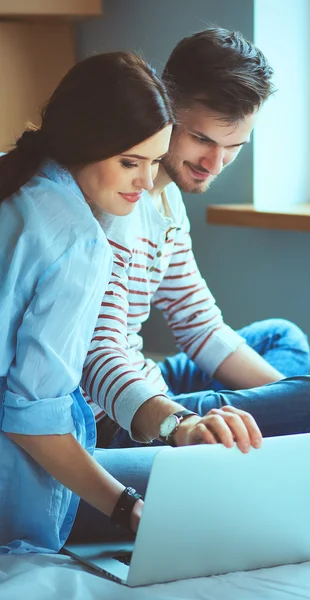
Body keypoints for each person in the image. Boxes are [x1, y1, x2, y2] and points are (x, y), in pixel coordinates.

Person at [71, 28, 310, 544]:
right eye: (202, 141)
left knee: (285, 340)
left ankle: (274, 438)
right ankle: (283, 445)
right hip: (118, 410)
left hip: (145, 379)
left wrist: (287, 399)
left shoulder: (166, 203)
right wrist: (176, 423)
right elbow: (98, 356)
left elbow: (202, 328)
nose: (214, 165)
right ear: (165, 108)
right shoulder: (121, 197)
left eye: (233, 148)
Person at [0, 51, 175, 553]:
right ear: (86, 142)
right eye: (130, 163)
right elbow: (32, 423)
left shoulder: (15, 182)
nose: (147, 183)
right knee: (210, 481)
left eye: (156, 161)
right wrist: (127, 507)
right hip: (20, 466)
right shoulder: (78, 241)